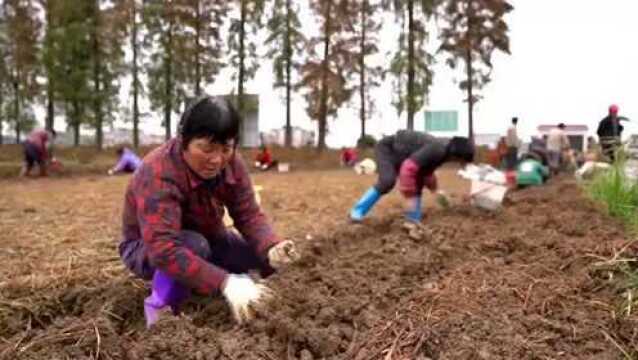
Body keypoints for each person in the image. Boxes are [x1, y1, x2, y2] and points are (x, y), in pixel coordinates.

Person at [118, 96, 299, 327]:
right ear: (183, 140)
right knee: (194, 245)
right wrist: (225, 283)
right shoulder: (158, 172)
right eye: (206, 148)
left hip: (211, 237)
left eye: (226, 149)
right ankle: (161, 309)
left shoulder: (232, 164)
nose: (216, 160)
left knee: (261, 260)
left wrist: (270, 246)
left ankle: (207, 280)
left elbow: (248, 214)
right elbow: (163, 250)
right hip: (147, 247)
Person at [349, 130, 474, 223]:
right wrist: (409, 196)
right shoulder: (439, 149)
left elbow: (426, 172)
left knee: (418, 182)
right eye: (461, 161)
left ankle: (413, 219)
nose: (460, 164)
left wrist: (435, 191)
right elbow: (408, 168)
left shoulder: (444, 152)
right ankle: (357, 211)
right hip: (389, 150)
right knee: (387, 181)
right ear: (457, 155)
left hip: (404, 156)